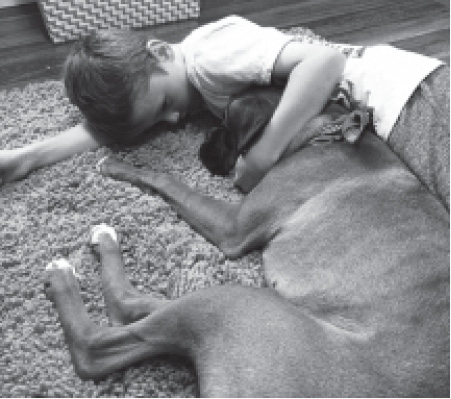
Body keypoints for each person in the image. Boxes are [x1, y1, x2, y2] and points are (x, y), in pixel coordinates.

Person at [0, 16, 448, 210]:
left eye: (164, 106)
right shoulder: (179, 81)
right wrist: (28, 157)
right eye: (157, 122)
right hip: (377, 121)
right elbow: (105, 130)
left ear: (159, 51)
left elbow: (324, 63)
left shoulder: (210, 55)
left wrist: (266, 151)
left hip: (405, 94)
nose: (174, 122)